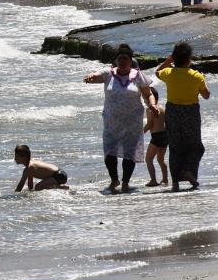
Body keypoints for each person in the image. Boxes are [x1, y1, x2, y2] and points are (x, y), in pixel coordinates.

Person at [83, 44, 159, 194]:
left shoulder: (137, 75)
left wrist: (152, 105)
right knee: (109, 151)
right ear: (116, 60)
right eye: (120, 58)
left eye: (125, 59)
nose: (123, 61)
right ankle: (114, 180)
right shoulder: (109, 73)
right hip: (111, 121)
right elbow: (96, 75)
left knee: (129, 153)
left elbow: (148, 93)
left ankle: (125, 182)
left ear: (131, 61)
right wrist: (91, 76)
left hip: (132, 121)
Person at [155, 42, 211, 192]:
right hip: (190, 113)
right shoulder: (196, 76)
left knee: (175, 147)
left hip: (172, 112)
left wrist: (168, 61)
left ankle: (175, 182)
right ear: (189, 59)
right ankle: (189, 172)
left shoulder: (168, 73)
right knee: (195, 147)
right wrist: (203, 81)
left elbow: (157, 72)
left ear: (175, 58)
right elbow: (206, 95)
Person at [143, 86, 168, 187]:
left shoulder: (149, 110)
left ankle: (153, 180)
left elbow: (149, 124)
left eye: (144, 98)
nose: (144, 100)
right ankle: (165, 179)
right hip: (165, 135)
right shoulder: (162, 108)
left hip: (156, 136)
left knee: (148, 159)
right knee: (160, 159)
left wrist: (140, 134)